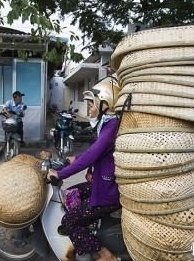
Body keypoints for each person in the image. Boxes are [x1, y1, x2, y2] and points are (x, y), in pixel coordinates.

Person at [46, 76, 121, 261]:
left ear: (106, 105)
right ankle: (90, 227)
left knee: (69, 221)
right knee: (71, 193)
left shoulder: (112, 126)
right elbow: (98, 153)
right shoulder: (107, 125)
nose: (90, 109)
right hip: (102, 183)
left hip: (108, 192)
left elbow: (93, 154)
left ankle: (105, 255)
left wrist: (60, 173)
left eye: (93, 104)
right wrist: (76, 159)